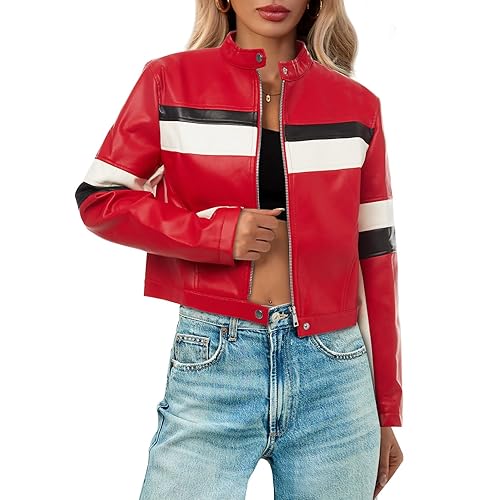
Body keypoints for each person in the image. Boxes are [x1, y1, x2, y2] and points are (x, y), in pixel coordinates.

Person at [75, 0, 404, 498]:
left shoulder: (357, 105)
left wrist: (385, 411)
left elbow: (376, 258)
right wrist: (217, 234)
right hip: (215, 358)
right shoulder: (169, 82)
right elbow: (100, 198)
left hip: (336, 373)